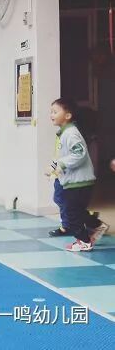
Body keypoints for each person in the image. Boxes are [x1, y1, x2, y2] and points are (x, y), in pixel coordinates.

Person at [47, 98, 109, 251]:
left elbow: (79, 153)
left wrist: (61, 165)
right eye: (51, 112)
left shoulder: (71, 133)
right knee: (76, 210)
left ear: (68, 115)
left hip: (78, 182)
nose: (51, 115)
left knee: (71, 213)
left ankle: (84, 241)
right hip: (74, 181)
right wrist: (53, 167)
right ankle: (96, 225)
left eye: (55, 112)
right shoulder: (64, 133)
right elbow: (61, 155)